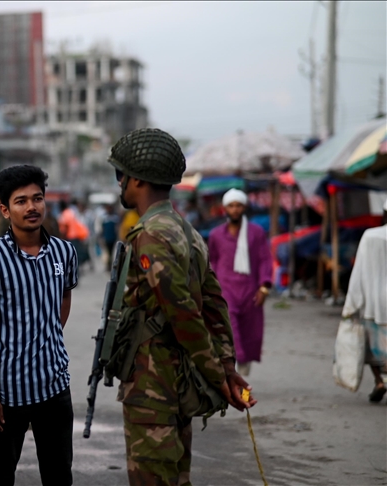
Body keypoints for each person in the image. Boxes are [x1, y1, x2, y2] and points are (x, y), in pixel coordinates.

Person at [107, 128, 255, 485]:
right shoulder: (186, 231)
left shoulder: (150, 234)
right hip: (176, 380)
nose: (119, 185)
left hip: (153, 384)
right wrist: (226, 364)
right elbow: (215, 305)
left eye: (120, 176)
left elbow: (182, 311)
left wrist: (220, 377)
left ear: (137, 180)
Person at [0, 165, 78, 486]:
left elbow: (65, 298)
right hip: (8, 392)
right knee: (1, 474)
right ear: (4, 209)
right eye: (20, 201)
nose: (31, 207)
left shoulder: (64, 252)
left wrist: (46, 336)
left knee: (59, 474)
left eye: (37, 198)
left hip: (55, 388)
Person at [208, 189, 273, 376]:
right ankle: (234, 369)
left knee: (250, 333)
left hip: (250, 290)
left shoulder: (256, 233)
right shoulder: (216, 235)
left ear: (244, 207)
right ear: (225, 209)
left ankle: (242, 365)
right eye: (231, 206)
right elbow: (211, 261)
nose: (235, 210)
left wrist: (264, 287)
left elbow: (264, 260)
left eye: (238, 205)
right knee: (231, 330)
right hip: (225, 289)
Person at [341, 199, 387, 403]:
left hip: (373, 299)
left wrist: (352, 301)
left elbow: (359, 271)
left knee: (372, 345)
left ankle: (380, 380)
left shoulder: (370, 236)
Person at [100, 204, 121, 272]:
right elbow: (102, 228)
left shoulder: (115, 218)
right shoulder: (105, 218)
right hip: (107, 237)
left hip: (113, 237)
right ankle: (108, 265)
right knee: (108, 252)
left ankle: (110, 265)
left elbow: (117, 228)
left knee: (111, 252)